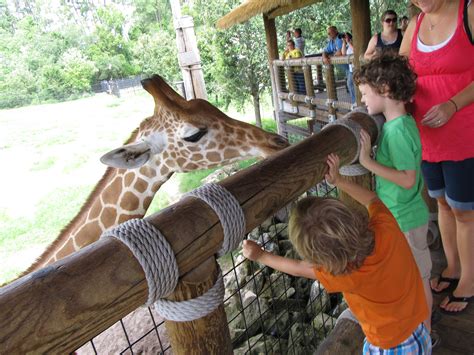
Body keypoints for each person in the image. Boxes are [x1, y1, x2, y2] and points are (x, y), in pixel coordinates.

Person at [242, 154, 431, 353]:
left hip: (391, 346)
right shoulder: (385, 226)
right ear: (347, 214)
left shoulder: (344, 274)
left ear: (317, 256)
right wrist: (339, 180)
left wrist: (260, 255)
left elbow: (298, 268)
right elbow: (372, 199)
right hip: (418, 330)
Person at [399, 0, 474, 315]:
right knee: (442, 203)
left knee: (465, 212)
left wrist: (452, 105)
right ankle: (453, 267)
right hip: (428, 138)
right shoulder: (415, 24)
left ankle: (469, 282)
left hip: (464, 136)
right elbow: (399, 70)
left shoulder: (468, 12)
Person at [353, 54, 433, 333]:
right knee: (413, 276)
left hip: (405, 219)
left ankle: (425, 335)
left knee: (418, 279)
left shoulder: (397, 131)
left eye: (365, 94)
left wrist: (368, 162)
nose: (363, 101)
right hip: (403, 216)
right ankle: (421, 331)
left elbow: (408, 179)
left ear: (385, 90)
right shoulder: (401, 123)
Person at [341, 32, 356, 105]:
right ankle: (354, 102)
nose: (344, 37)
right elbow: (343, 53)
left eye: (346, 36)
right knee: (350, 84)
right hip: (351, 69)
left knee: (356, 85)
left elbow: (356, 51)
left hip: (356, 68)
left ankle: (357, 101)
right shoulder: (347, 45)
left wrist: (349, 42)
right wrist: (344, 42)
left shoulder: (354, 43)